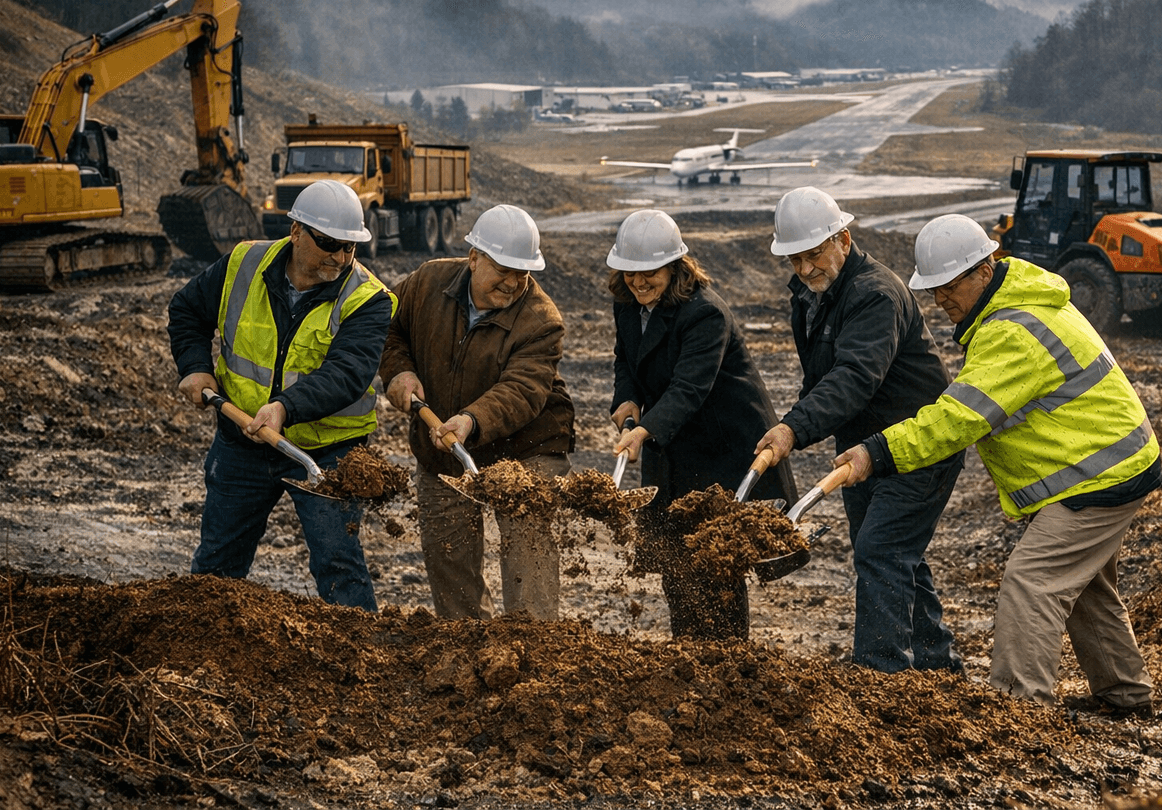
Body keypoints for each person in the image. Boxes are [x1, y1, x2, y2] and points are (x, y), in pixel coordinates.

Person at [834, 214, 1162, 716]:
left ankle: (1020, 712)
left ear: (985, 271)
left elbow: (958, 418)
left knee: (1030, 584)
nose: (941, 300)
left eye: (950, 286)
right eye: (934, 289)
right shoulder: (1017, 307)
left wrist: (876, 451)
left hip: (1098, 476)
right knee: (1087, 586)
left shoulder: (1012, 332)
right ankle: (1126, 696)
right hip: (1113, 463)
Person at [752, 187, 964, 674]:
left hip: (916, 444)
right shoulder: (811, 297)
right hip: (863, 449)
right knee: (891, 554)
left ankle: (878, 674)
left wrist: (794, 429)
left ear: (843, 240)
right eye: (795, 259)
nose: (805, 268)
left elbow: (854, 376)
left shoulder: (875, 294)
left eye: (814, 254)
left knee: (881, 548)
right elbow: (820, 379)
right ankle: (940, 670)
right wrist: (791, 425)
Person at [168, 179, 395, 611]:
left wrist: (284, 408)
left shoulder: (368, 299)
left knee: (338, 565)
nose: (340, 257)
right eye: (328, 243)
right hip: (242, 443)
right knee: (217, 562)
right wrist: (195, 366)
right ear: (295, 232)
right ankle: (205, 636)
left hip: (326, 453)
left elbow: (347, 372)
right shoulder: (244, 264)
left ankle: (360, 645)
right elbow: (187, 309)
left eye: (350, 246)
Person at [607, 209, 798, 640]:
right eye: (630, 272)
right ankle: (690, 655)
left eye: (650, 273)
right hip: (673, 444)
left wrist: (643, 431)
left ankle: (727, 659)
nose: (638, 282)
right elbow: (626, 361)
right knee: (676, 560)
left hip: (720, 449)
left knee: (715, 562)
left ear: (674, 266)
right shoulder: (627, 305)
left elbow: (689, 389)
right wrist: (626, 400)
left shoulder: (704, 314)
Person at [380, 204, 575, 620]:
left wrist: (471, 420)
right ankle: (467, 642)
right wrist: (398, 371)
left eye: (522, 273)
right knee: (449, 554)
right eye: (503, 270)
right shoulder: (426, 283)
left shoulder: (541, 320)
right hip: (445, 446)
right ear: (473, 258)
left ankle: (534, 643)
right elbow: (387, 328)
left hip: (528, 448)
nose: (513, 283)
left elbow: (522, 389)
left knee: (528, 553)